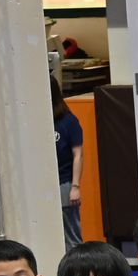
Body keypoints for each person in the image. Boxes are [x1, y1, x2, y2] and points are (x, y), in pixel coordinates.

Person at [53, 76, 85, 252]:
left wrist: (75, 186)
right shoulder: (37, 120)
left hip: (64, 182)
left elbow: (78, 155)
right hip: (44, 185)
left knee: (71, 237)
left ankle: (77, 264)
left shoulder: (68, 121)